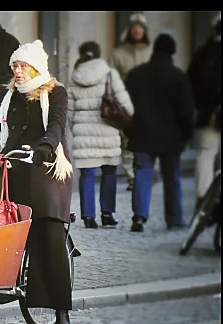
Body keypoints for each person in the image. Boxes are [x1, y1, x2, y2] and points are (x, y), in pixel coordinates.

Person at [0, 40, 74, 324]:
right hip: (14, 166)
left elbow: (57, 126)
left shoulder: (55, 92)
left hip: (47, 171)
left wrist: (46, 147)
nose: (18, 72)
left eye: (22, 66)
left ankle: (62, 311)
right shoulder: (12, 96)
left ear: (35, 67)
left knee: (50, 237)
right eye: (15, 66)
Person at [124, 33, 195, 233]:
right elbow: (186, 111)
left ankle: (139, 216)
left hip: (142, 134)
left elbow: (126, 106)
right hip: (171, 137)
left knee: (142, 176)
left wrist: (130, 130)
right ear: (172, 52)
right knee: (172, 178)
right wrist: (186, 133)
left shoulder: (136, 74)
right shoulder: (178, 76)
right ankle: (174, 218)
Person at [67, 41, 134, 229]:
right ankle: (107, 213)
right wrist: (129, 122)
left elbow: (70, 111)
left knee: (87, 174)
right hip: (108, 128)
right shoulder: (109, 73)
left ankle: (88, 216)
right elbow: (123, 101)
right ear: (98, 54)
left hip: (83, 131)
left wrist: (76, 128)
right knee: (110, 171)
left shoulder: (74, 77)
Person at [108, 12, 152, 192]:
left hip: (148, 103)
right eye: (134, 27)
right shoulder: (118, 53)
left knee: (146, 141)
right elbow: (110, 77)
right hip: (125, 103)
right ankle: (132, 178)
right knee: (127, 142)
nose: (137, 30)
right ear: (129, 30)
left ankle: (144, 175)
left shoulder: (151, 52)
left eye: (140, 27)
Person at [187, 15, 221, 210]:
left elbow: (189, 84)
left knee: (205, 158)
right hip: (210, 114)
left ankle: (204, 202)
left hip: (207, 116)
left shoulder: (203, 53)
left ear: (214, 30)